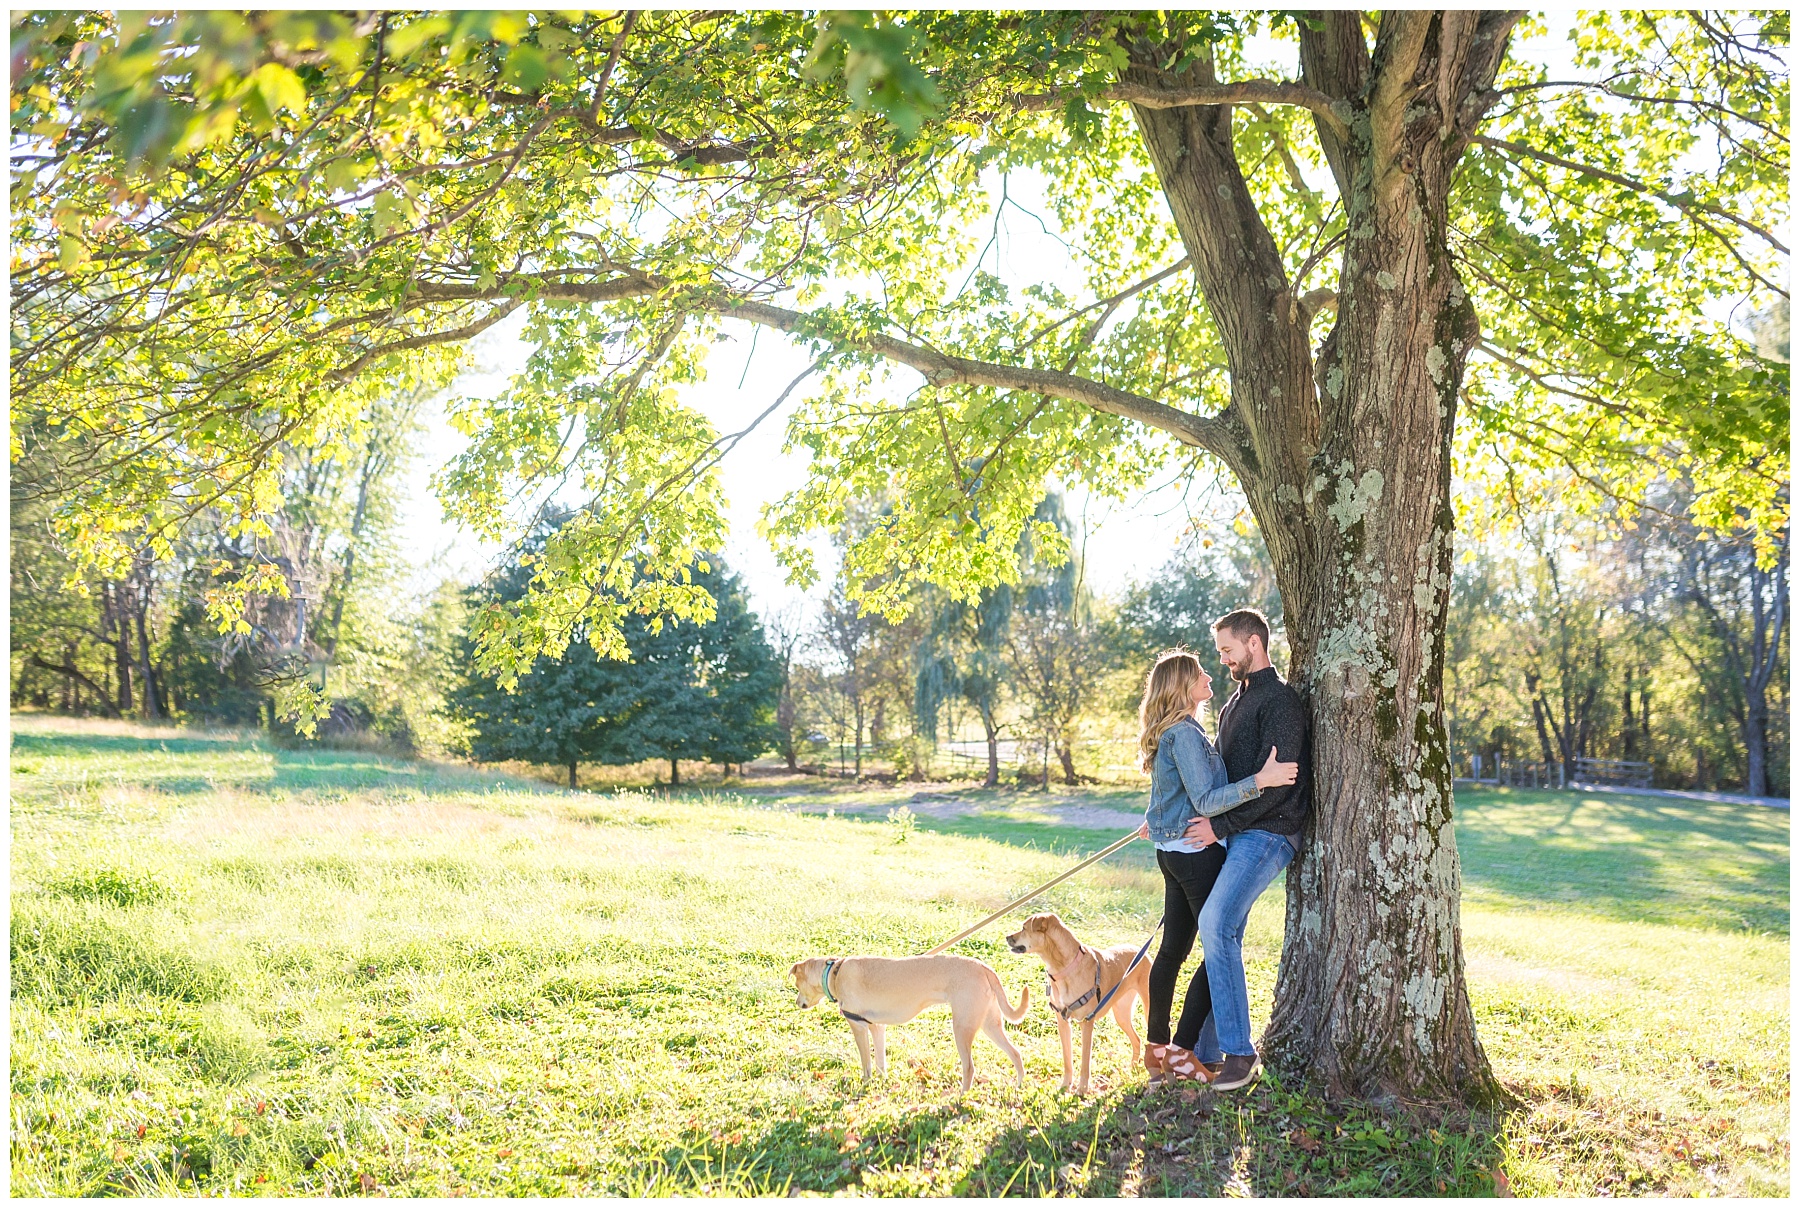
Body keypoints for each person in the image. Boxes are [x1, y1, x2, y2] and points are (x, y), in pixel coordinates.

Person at [1132, 649, 1298, 1086]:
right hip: (1195, 855)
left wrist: (1158, 821)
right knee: (1220, 944)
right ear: (1182, 686)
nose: (1209, 675)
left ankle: (1156, 1049)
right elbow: (1205, 801)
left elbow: (1170, 792)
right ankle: (1184, 1049)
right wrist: (1261, 781)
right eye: (1200, 672)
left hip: (1173, 853)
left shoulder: (1173, 731)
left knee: (1173, 950)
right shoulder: (1184, 734)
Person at [1178, 608, 1312, 1091]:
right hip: (1236, 833)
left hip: (1270, 833)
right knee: (1222, 931)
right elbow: (1218, 779)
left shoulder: (1281, 703)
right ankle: (1208, 1051)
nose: (1223, 659)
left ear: (1254, 643)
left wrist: (1220, 826)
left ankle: (1241, 1052)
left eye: (1228, 650)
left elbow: (1279, 786)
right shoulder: (1234, 704)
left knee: (1216, 922)